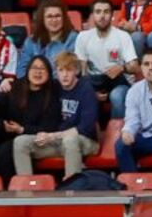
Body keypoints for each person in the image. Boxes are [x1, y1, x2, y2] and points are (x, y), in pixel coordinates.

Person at [14, 50, 98, 178]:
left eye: (68, 70)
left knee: (70, 140)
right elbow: (30, 83)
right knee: (21, 142)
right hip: (58, 142)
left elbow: (85, 127)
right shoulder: (54, 86)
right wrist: (8, 83)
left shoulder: (86, 89)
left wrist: (52, 136)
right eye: (60, 70)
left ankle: (73, 188)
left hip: (85, 141)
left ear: (76, 71)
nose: (64, 75)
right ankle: (27, 190)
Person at [0, 54, 61, 181]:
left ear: (49, 73)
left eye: (42, 69)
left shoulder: (53, 93)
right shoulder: (16, 86)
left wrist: (21, 130)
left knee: (5, 150)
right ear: (27, 71)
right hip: (11, 131)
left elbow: (49, 127)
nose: (38, 72)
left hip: (31, 137)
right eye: (34, 68)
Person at [74, 0, 139, 118]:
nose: (102, 16)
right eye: (98, 12)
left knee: (117, 95)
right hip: (94, 80)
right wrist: (90, 91)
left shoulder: (122, 36)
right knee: (84, 90)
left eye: (106, 11)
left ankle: (117, 132)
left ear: (112, 14)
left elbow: (135, 67)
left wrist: (121, 68)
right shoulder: (83, 37)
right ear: (92, 15)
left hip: (119, 81)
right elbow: (82, 70)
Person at [19, 0, 77, 77]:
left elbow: (70, 70)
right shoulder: (31, 41)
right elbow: (21, 71)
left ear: (64, 18)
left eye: (58, 16)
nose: (54, 20)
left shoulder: (74, 39)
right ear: (42, 19)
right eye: (49, 16)